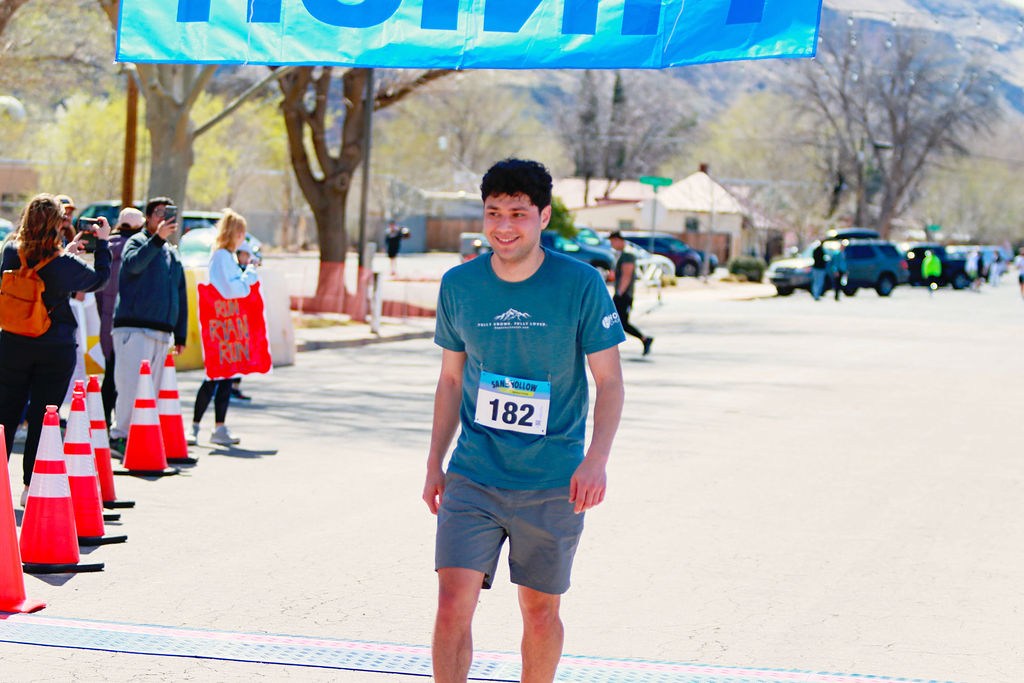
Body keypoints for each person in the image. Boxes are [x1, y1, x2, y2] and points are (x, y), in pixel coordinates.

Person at [422, 159, 625, 683]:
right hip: (474, 473)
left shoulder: (580, 284)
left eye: (518, 213)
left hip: (553, 479)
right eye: (494, 213)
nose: (504, 226)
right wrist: (434, 462)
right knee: (452, 603)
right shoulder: (459, 284)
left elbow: (609, 382)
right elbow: (450, 382)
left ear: (543, 217)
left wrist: (596, 460)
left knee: (539, 611)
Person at [0, 194, 111, 506]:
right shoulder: (63, 263)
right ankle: (29, 488)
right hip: (54, 346)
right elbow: (99, 280)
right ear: (56, 223)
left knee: (5, 415)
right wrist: (102, 243)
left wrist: (66, 252)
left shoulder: (11, 251)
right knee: (43, 417)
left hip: (12, 343)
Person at [108, 197, 187, 455]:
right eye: (159, 213)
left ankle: (139, 441)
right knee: (130, 386)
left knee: (150, 392)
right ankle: (119, 436)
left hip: (161, 331)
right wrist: (157, 240)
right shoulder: (137, 241)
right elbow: (133, 265)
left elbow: (180, 293)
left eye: (168, 214)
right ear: (149, 218)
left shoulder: (171, 252)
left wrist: (181, 334)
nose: (164, 218)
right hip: (134, 329)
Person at [187, 210, 257, 447]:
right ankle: (196, 426)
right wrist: (249, 274)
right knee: (214, 377)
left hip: (227, 324)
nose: (243, 237)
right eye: (241, 232)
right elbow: (233, 290)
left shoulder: (225, 257)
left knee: (225, 377)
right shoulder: (222, 257)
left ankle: (218, 426)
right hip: (221, 324)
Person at [95, 206, 146, 425]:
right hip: (131, 323)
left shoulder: (105, 249)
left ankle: (103, 422)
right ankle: (122, 425)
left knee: (109, 374)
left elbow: (98, 291)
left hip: (107, 321)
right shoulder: (139, 252)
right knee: (127, 379)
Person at [608, 230, 653, 355]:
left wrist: (619, 293)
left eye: (612, 242)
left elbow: (626, 276)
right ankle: (644, 339)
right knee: (617, 322)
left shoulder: (628, 255)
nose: (612, 245)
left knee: (620, 322)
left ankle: (645, 339)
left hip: (624, 295)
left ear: (618, 240)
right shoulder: (623, 254)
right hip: (622, 294)